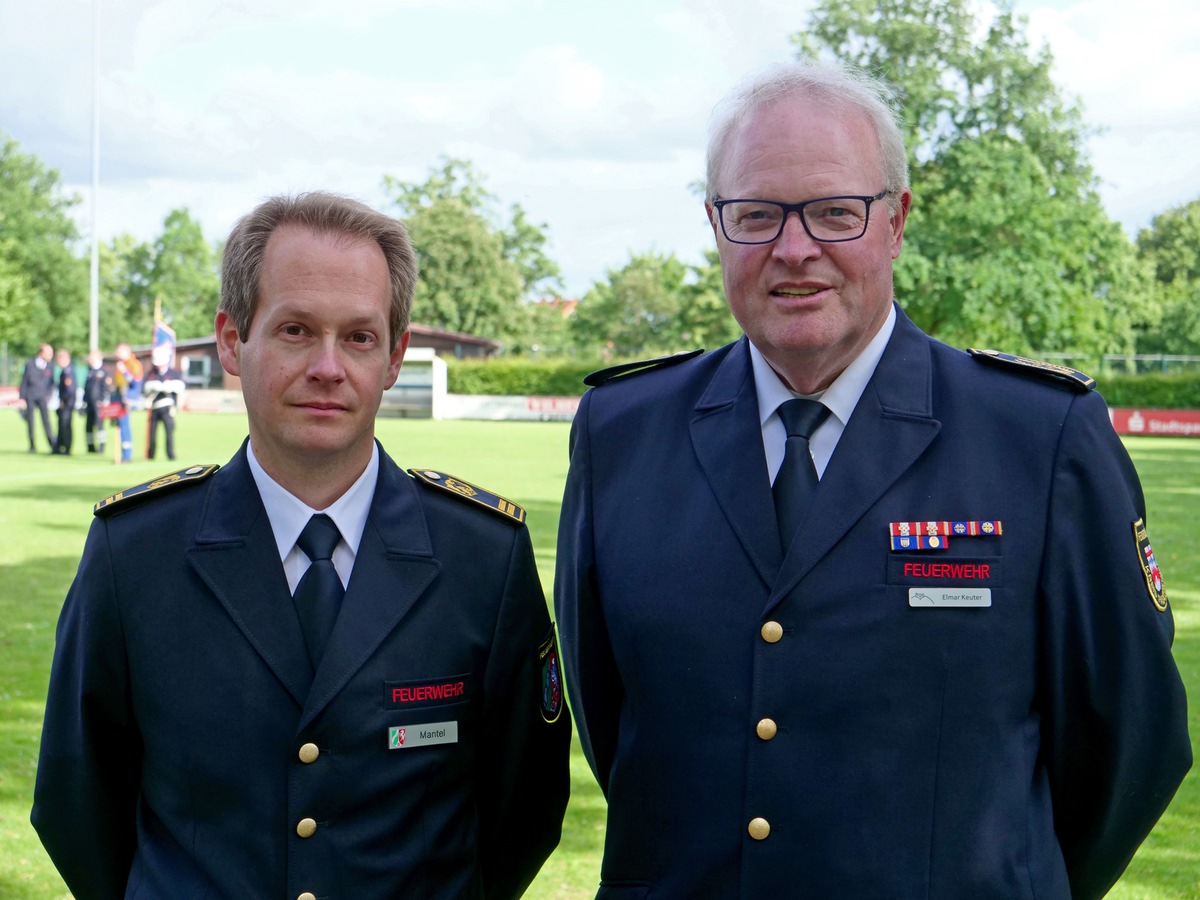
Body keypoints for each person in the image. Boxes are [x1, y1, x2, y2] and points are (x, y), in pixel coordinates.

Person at [555, 61, 1191, 900]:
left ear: (895, 221)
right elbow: (612, 719)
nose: (794, 248)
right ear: (716, 225)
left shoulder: (1041, 437)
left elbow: (1129, 740)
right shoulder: (623, 431)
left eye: (833, 212)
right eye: (755, 215)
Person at [33, 191, 571, 900]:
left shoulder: (483, 557)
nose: (328, 366)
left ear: (393, 355)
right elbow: (77, 806)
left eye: (359, 336)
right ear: (232, 340)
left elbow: (523, 810)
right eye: (294, 330)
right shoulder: (135, 553)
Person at [143, 344, 186, 460]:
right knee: (152, 433)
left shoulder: (173, 373)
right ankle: (150, 455)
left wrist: (169, 386)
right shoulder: (152, 373)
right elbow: (145, 387)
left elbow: (181, 387)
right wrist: (153, 386)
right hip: (154, 407)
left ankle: (170, 455)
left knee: (169, 432)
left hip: (167, 407)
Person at [18, 343, 55, 452]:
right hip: (30, 396)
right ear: (41, 353)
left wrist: (49, 394)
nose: (51, 356)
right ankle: (32, 444)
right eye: (49, 353)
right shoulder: (30, 364)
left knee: (46, 421)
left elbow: (52, 383)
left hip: (43, 397)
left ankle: (52, 443)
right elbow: (24, 381)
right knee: (30, 421)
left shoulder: (50, 366)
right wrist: (22, 397)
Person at [112, 342, 143, 463]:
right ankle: (121, 454)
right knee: (119, 426)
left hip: (129, 400)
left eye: (120, 351)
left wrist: (124, 371)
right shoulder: (121, 365)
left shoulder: (134, 365)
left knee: (125, 426)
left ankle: (127, 455)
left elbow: (135, 383)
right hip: (120, 398)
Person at [82, 349, 112, 454]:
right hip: (89, 403)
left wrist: (103, 400)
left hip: (99, 403)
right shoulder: (90, 370)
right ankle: (90, 446)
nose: (90, 359)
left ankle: (101, 446)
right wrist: (84, 401)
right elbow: (86, 387)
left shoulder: (104, 370)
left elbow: (106, 387)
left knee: (99, 425)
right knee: (88, 425)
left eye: (92, 357)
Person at [52, 347, 76, 455]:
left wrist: (64, 402)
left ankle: (67, 448)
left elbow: (69, 390)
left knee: (66, 426)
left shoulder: (68, 371)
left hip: (67, 403)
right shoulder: (65, 370)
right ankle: (60, 447)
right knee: (61, 425)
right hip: (65, 403)